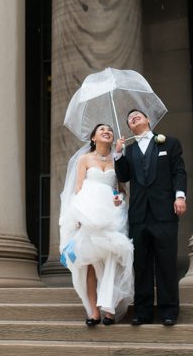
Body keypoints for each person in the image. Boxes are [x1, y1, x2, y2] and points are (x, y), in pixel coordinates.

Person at [114, 109, 187, 326]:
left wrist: (180, 196)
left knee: (166, 262)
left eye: (138, 114)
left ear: (147, 120)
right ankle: (143, 312)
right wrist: (118, 155)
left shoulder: (169, 143)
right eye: (129, 117)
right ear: (128, 126)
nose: (133, 116)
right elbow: (124, 176)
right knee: (141, 264)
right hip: (138, 215)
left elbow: (179, 172)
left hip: (165, 211)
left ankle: (168, 312)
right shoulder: (129, 149)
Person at [59, 123, 134, 326]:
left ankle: (108, 308)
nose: (107, 131)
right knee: (92, 264)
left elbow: (120, 189)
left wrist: (119, 197)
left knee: (112, 260)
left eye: (109, 129)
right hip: (89, 214)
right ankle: (93, 311)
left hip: (112, 214)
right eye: (101, 129)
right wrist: (78, 216)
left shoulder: (117, 159)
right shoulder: (84, 159)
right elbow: (78, 188)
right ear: (93, 138)